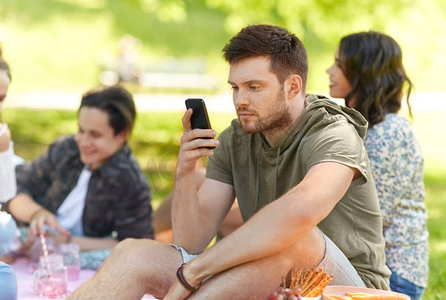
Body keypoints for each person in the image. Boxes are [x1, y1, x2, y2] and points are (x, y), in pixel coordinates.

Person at [70, 24, 390, 300]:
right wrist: (185, 173)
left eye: (254, 87)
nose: (240, 100)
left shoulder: (334, 132)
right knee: (133, 252)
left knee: (296, 236)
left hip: (347, 288)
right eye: (235, 87)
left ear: (292, 86)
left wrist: (193, 273)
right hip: (264, 276)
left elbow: (300, 212)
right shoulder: (237, 138)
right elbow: (191, 240)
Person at [326, 31, 428, 300]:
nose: (329, 70)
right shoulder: (359, 127)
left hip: (393, 274)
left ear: (363, 70)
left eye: (339, 63)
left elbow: (370, 215)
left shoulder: (390, 132)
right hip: (363, 259)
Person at [6, 85, 154, 255]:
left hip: (83, 263)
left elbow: (136, 243)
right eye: (81, 130)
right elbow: (14, 188)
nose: (83, 141)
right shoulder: (66, 150)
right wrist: (38, 214)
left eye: (95, 135)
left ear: (122, 135)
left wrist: (67, 241)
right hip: (26, 248)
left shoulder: (130, 181)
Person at [0, 41, 17, 300]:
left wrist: (1, 151)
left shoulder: (0, 135)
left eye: (0, 99)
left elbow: (3, 195)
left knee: (5, 281)